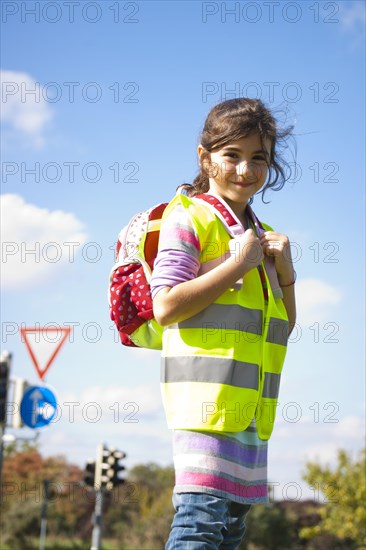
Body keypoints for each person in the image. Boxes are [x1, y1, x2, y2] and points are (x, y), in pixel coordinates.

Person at [150, 98, 296, 549]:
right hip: (204, 408)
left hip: (249, 413)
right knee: (200, 525)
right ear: (204, 157)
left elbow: (283, 326)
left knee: (230, 532)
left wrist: (285, 272)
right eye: (232, 155)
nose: (245, 169)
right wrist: (237, 266)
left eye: (259, 158)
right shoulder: (189, 216)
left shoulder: (258, 230)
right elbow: (166, 306)